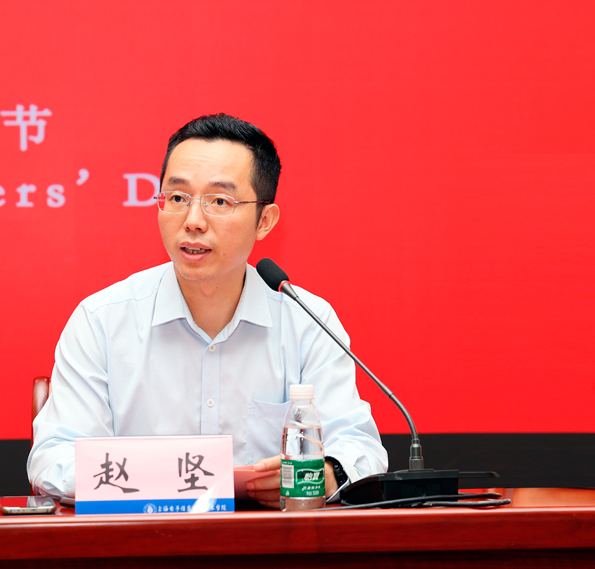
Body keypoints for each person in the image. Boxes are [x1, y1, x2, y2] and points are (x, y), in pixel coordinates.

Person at [28, 113, 387, 508]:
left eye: (220, 201)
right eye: (177, 198)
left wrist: (326, 474)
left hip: (268, 542)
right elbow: (54, 460)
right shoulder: (102, 320)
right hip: (143, 538)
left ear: (264, 221)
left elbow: (359, 447)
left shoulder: (307, 321)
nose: (193, 221)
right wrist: (175, 479)